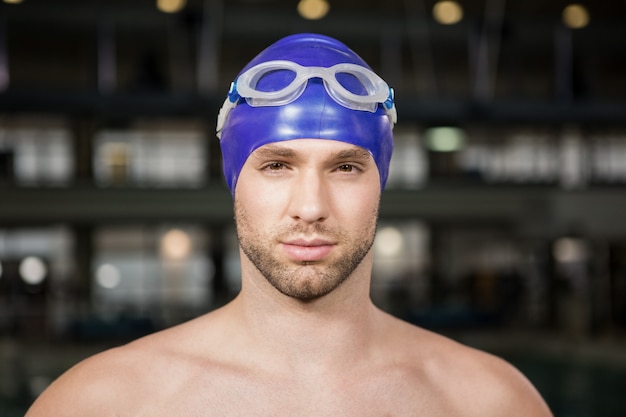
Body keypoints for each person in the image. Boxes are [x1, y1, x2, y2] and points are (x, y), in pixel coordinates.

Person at [26, 33, 552, 417]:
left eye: (345, 167)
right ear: (235, 181)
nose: (310, 206)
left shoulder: (490, 400)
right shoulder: (103, 402)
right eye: (276, 166)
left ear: (381, 181)